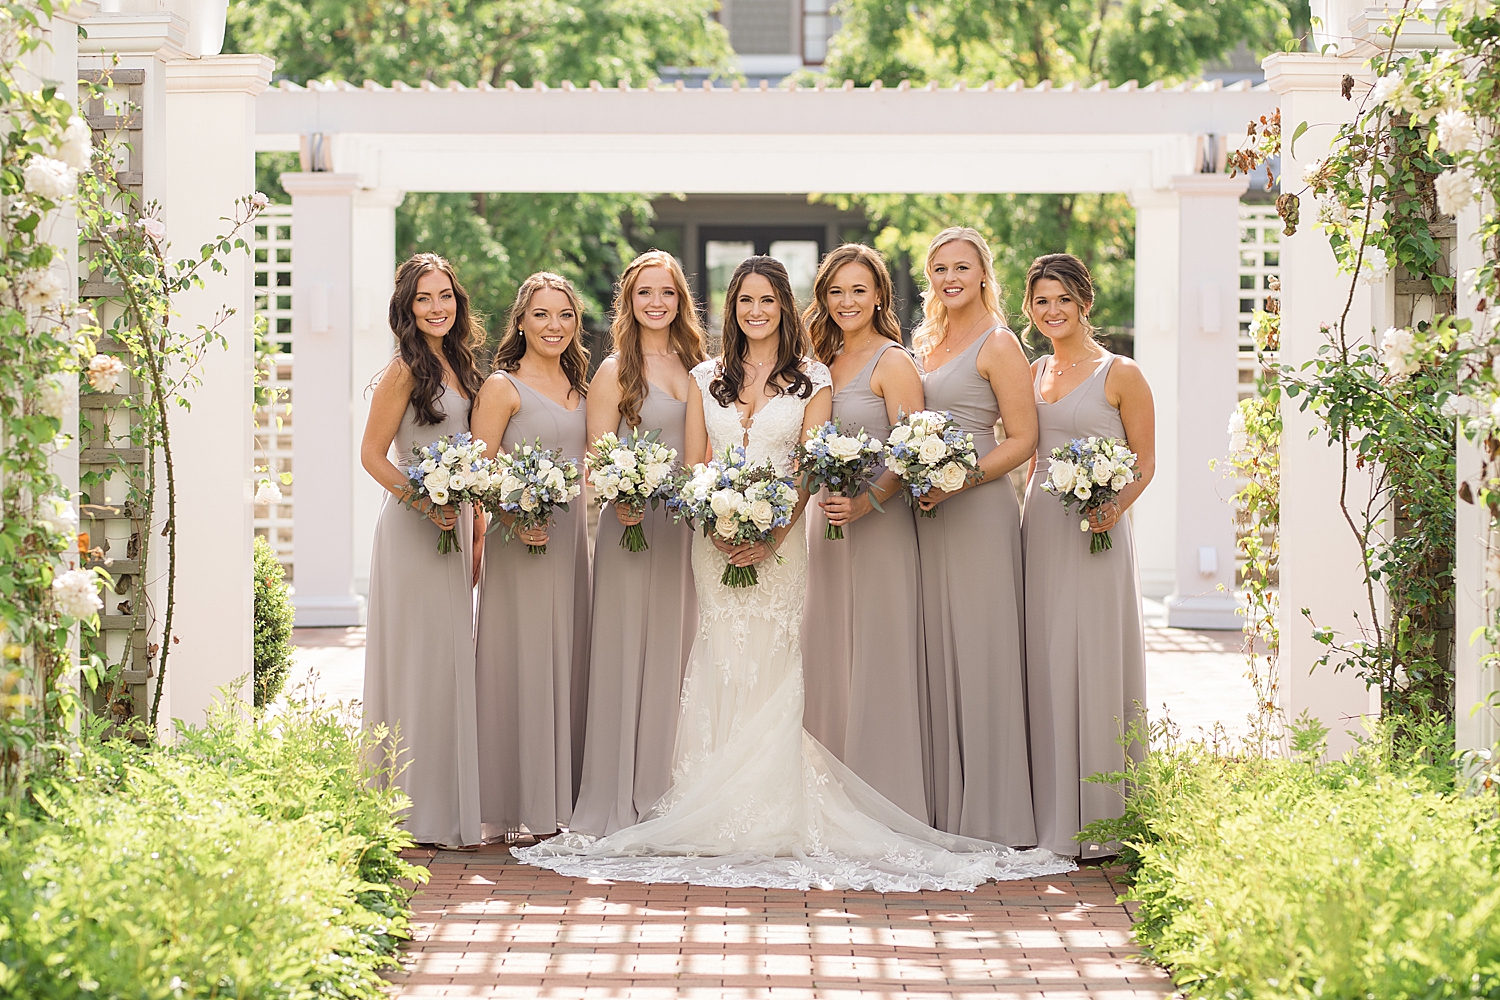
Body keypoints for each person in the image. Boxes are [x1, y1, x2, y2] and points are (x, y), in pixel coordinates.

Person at [515, 256, 1071, 890]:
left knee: (779, 660)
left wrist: (774, 528)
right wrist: (720, 523)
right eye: (745, 301)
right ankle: (701, 791)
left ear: (784, 307)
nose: (756, 312)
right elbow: (696, 461)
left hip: (783, 545)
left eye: (768, 302)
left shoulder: (813, 378)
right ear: (732, 310)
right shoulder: (705, 378)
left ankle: (777, 803)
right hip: (712, 542)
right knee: (716, 652)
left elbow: (809, 466)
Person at [1021, 253, 1154, 858]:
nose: (1053, 312)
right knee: (1046, 658)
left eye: (1063, 301)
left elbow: (1145, 464)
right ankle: (1053, 814)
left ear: (1084, 303)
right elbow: (1027, 454)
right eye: (1042, 301)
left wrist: (1113, 507)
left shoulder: (1120, 373)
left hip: (1099, 527)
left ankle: (1105, 815)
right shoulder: (1033, 372)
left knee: (1096, 657)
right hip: (1042, 526)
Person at [571, 251, 708, 836]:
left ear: (681, 302)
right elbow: (598, 455)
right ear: (628, 300)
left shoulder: (700, 366)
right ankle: (620, 791)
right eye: (645, 292)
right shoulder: (613, 372)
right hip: (630, 528)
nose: (657, 303)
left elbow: (703, 453)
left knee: (679, 654)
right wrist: (619, 496)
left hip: (684, 529)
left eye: (668, 293)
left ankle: (670, 790)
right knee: (627, 652)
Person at [912, 227, 1040, 846]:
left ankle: (996, 812)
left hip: (979, 511)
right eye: (939, 269)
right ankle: (944, 807)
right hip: (929, 514)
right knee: (937, 650)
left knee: (984, 651)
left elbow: (1022, 439)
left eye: (961, 267)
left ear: (984, 272)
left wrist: (960, 480)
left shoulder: (1000, 343)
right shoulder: (926, 341)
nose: (949, 278)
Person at [799, 244, 930, 823]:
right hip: (824, 530)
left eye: (858, 290)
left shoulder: (892, 361)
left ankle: (886, 799)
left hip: (877, 529)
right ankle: (829, 797)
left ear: (878, 294)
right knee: (829, 652)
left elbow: (910, 451)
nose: (847, 301)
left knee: (878, 653)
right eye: (836, 292)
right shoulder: (819, 361)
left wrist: (868, 499)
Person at [360, 253, 486, 848]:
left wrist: (472, 524)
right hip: (414, 532)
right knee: (416, 664)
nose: (437, 308)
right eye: (423, 299)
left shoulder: (461, 365)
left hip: (454, 527)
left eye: (445, 297)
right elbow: (372, 455)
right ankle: (407, 811)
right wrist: (423, 499)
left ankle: (444, 805)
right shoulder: (404, 370)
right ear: (407, 309)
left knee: (447, 663)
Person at [470, 272, 592, 841]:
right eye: (541, 314)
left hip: (569, 544)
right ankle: (514, 801)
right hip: (520, 542)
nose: (554, 326)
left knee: (567, 655)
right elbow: (479, 469)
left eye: (564, 315)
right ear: (520, 321)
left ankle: (560, 800)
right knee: (520, 658)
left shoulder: (582, 387)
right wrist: (517, 515)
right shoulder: (503, 386)